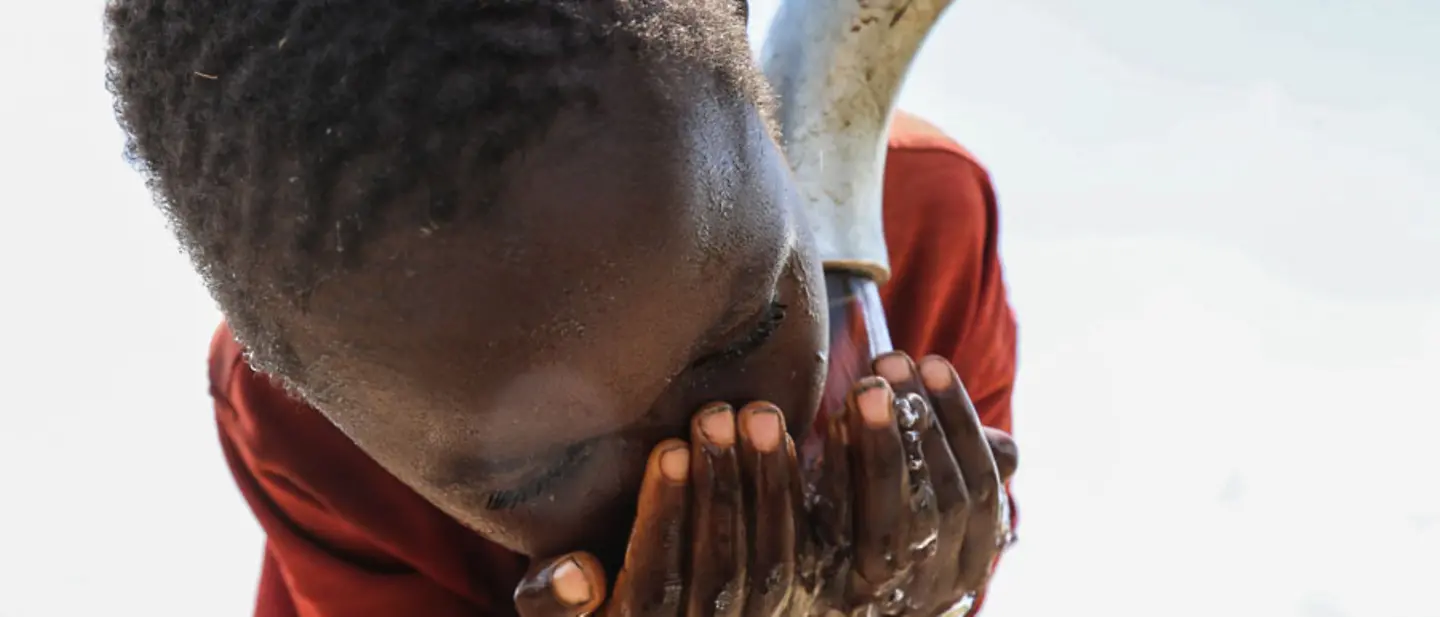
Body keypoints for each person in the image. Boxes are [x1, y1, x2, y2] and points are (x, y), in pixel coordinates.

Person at [105, 0, 1019, 616]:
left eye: (751, 330)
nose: (696, 455)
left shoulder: (916, 236)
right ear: (326, 405)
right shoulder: (308, 446)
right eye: (540, 475)